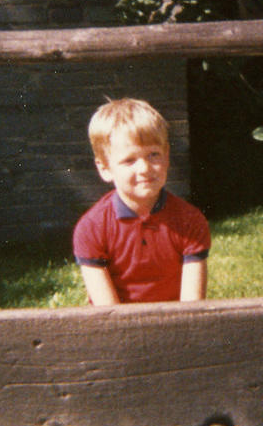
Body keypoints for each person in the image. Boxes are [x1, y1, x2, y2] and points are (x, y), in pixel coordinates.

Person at [73, 98, 211, 305]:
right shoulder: (91, 228)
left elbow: (192, 308)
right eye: (129, 160)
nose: (144, 168)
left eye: (153, 155)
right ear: (104, 168)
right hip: (116, 329)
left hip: (176, 326)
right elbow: (107, 313)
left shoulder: (190, 221)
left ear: (167, 156)